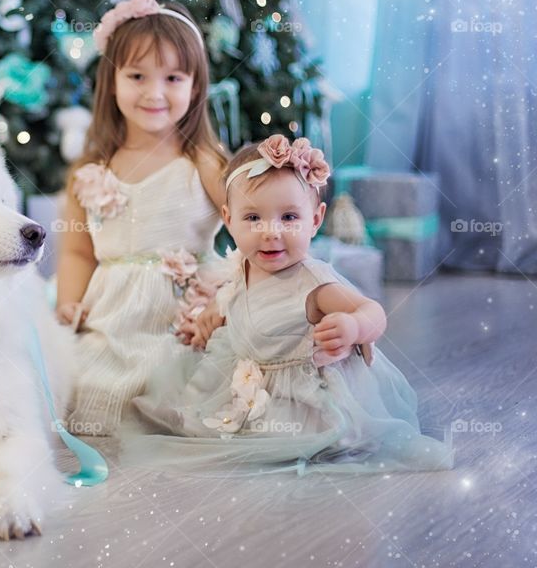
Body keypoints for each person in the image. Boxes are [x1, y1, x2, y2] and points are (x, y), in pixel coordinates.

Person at [127, 136, 454, 473]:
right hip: (249, 374)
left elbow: (373, 312)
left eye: (288, 217)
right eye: (253, 218)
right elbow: (231, 300)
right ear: (228, 219)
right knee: (188, 410)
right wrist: (210, 318)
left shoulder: (312, 281)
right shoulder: (244, 265)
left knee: (281, 440)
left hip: (300, 396)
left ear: (315, 219)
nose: (270, 232)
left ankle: (312, 433)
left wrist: (354, 326)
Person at [55, 0, 229, 436]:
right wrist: (68, 307)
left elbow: (248, 227)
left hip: (182, 320)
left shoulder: (204, 162)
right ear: (111, 82)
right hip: (111, 318)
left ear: (195, 86)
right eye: (137, 76)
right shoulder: (91, 171)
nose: (154, 93)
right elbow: (78, 250)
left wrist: (227, 297)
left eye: (173, 77)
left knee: (180, 386)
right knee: (77, 383)